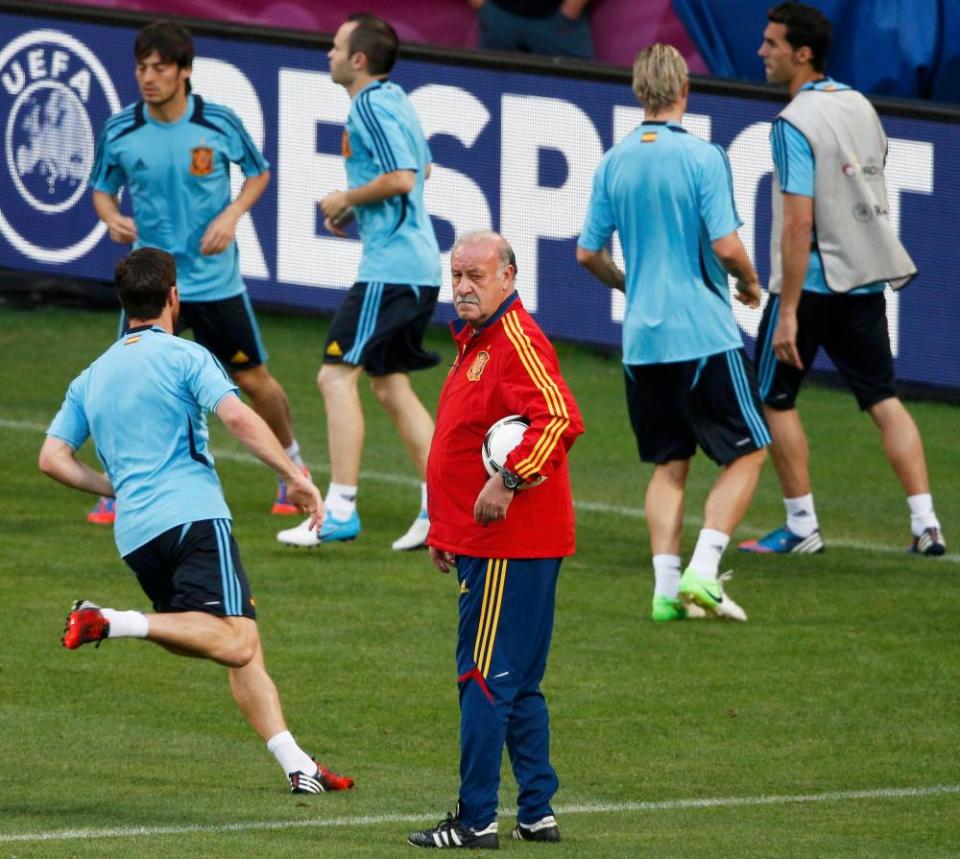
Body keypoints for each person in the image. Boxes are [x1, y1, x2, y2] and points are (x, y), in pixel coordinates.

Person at [41, 248, 354, 795]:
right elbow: (236, 415)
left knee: (223, 637)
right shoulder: (186, 355)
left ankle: (296, 764)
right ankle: (109, 620)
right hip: (192, 517)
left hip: (136, 537)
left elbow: (52, 457)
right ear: (173, 298)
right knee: (235, 641)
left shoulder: (90, 376)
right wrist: (296, 475)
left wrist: (110, 485)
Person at [740, 2, 945, 557]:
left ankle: (802, 525)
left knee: (775, 401)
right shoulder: (859, 104)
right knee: (883, 397)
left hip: (807, 285)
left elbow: (799, 218)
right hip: (862, 279)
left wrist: (786, 311)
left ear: (802, 54)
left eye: (772, 44)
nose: (762, 52)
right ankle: (926, 522)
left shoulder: (793, 123)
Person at [88, 20, 308, 526]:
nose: (148, 78)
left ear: (185, 72)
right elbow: (102, 186)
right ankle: (121, 485)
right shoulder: (121, 129)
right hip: (149, 285)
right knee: (129, 383)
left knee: (254, 381)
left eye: (160, 68)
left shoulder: (219, 123)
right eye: (142, 68)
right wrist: (109, 216)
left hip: (214, 282)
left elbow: (259, 172)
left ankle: (290, 466)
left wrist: (231, 215)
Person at [577, 44, 768, 623]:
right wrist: (751, 283)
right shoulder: (703, 156)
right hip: (702, 332)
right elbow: (726, 245)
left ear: (639, 91)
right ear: (685, 88)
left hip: (643, 339)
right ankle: (704, 572)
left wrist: (625, 286)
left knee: (669, 463)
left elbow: (588, 253)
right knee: (752, 450)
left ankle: (665, 591)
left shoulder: (614, 161)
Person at [407, 232, 583, 849]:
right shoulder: (478, 342)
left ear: (509, 276)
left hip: (509, 545)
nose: (461, 288)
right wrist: (445, 527)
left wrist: (509, 479)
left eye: (476, 276)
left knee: (482, 679)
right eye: (455, 276)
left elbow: (558, 416)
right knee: (519, 683)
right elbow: (461, 443)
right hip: (493, 542)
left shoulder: (515, 339)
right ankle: (536, 811)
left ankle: (476, 817)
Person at [277, 13, 441, 552]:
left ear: (359, 60)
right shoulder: (397, 101)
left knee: (333, 376)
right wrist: (357, 210)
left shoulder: (369, 105)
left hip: (391, 269)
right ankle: (442, 505)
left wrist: (347, 199)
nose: (328, 52)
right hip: (415, 267)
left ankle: (340, 508)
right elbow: (424, 170)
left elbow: (403, 178)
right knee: (389, 385)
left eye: (336, 46)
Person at [468, 0, 594, 60]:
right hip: (499, 16)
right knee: (490, 88)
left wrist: (572, 7)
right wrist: (484, 7)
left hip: (557, 21)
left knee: (581, 86)